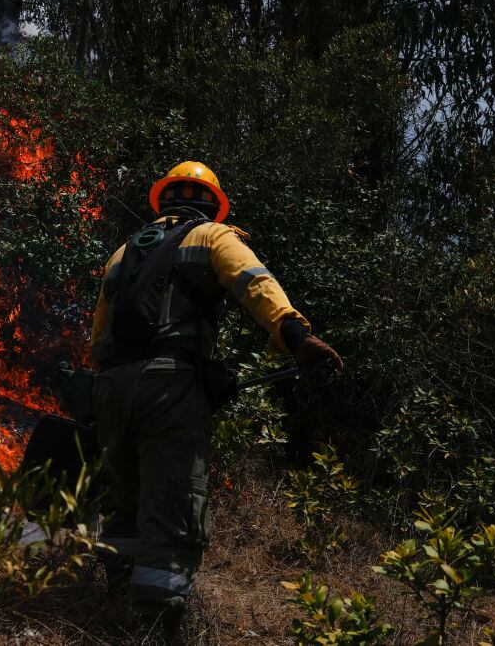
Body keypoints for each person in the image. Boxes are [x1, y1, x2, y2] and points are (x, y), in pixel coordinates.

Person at [89, 161, 342, 638]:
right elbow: (253, 283)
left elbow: (99, 335)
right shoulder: (212, 236)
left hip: (111, 389)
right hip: (169, 387)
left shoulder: (122, 254)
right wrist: (296, 336)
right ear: (212, 203)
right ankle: (152, 627)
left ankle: (112, 603)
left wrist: (114, 391)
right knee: (174, 502)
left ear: (164, 200)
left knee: (123, 504)